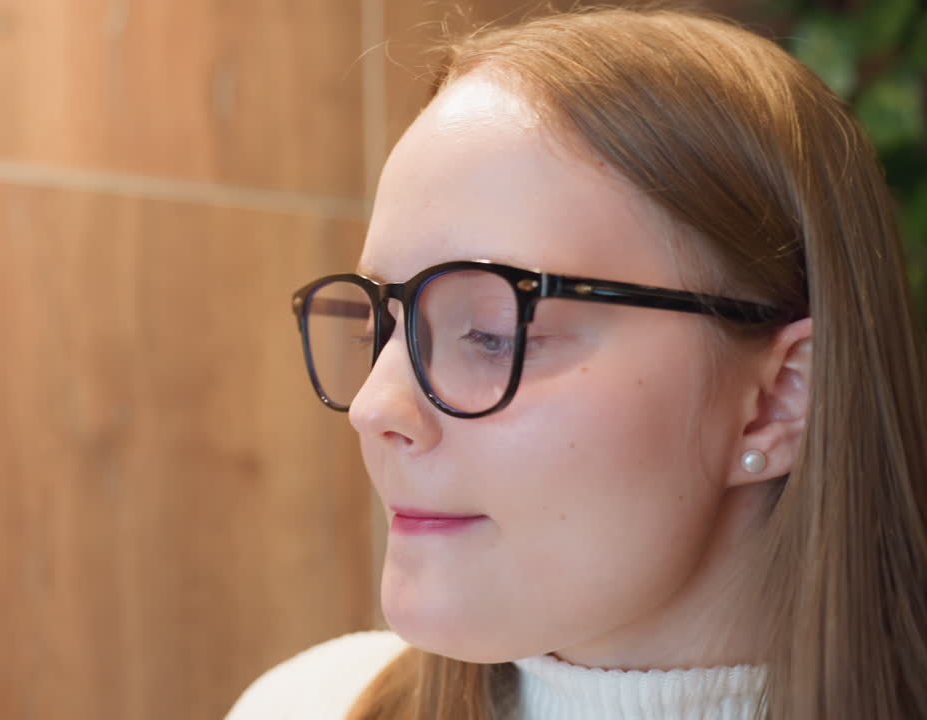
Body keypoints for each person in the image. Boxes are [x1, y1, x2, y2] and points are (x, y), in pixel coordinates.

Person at [225, 7, 927, 720]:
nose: (375, 407)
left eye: (493, 334)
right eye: (387, 322)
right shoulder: (305, 705)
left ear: (779, 397)